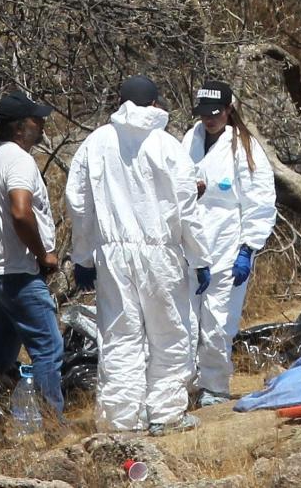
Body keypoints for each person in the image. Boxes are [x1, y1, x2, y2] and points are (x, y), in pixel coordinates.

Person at [66, 75, 212, 434]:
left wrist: (83, 256)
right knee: (169, 333)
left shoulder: (95, 142)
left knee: (119, 336)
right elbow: (186, 205)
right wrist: (199, 256)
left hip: (112, 256)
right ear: (154, 103)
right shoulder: (165, 144)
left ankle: (121, 420)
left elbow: (78, 203)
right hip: (161, 254)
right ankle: (166, 413)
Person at [181, 81, 277, 407]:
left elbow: (259, 201)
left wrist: (248, 248)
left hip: (227, 246)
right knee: (186, 323)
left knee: (218, 322)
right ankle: (187, 386)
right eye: (204, 114)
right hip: (190, 247)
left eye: (216, 113)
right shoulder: (189, 140)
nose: (209, 120)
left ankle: (215, 386)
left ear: (228, 110)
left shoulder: (243, 148)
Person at [0, 92, 63, 425]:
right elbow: (21, 212)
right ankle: (53, 426)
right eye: (35, 120)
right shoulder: (19, 160)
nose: (41, 125)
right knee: (48, 349)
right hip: (21, 273)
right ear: (19, 127)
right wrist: (44, 254)